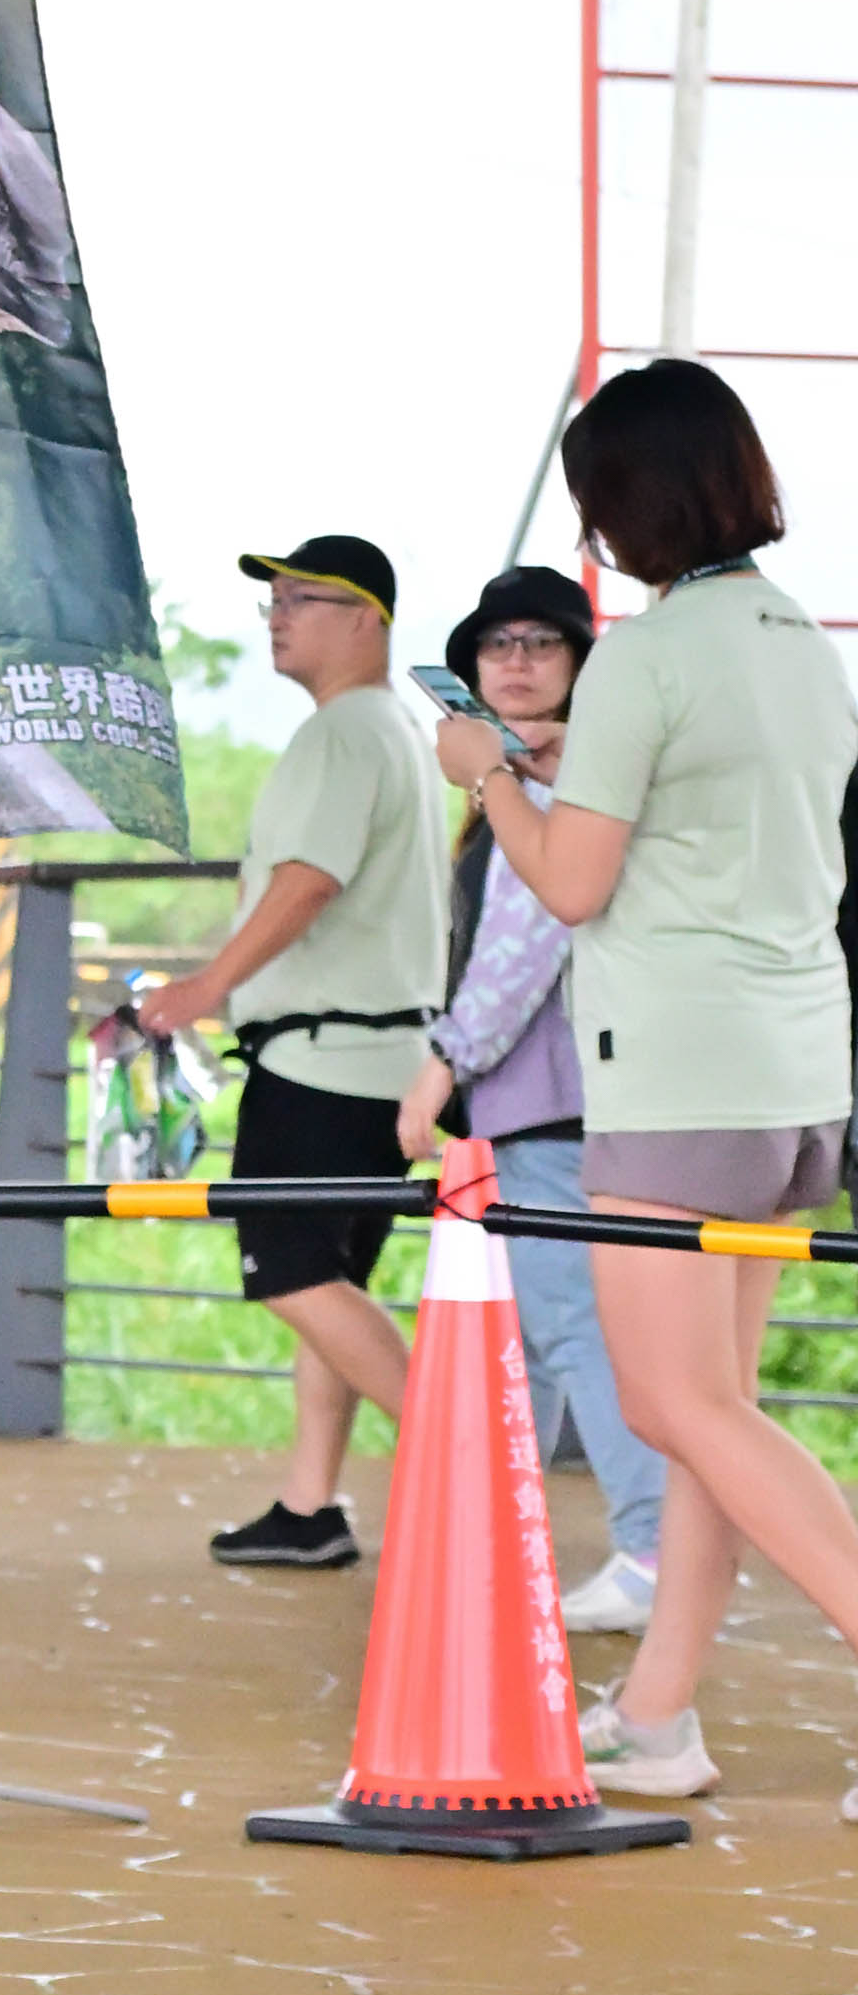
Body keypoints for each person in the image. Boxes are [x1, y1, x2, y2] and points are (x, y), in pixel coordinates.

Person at [425, 359, 858, 1812]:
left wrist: (489, 774)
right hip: (796, 1071)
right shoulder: (799, 641)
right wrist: (554, 762)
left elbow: (569, 883)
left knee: (682, 1408)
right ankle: (659, 1715)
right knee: (710, 1410)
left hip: (677, 1072)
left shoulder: (650, 658)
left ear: (631, 503)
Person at [138, 530, 441, 1569]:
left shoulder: (344, 735)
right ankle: (310, 1507)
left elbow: (308, 880)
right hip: (383, 1062)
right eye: (274, 598)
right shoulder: (396, 731)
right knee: (332, 1288)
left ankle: (468, 1463)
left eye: (304, 597)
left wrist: (205, 987)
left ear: (367, 621)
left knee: (293, 1274)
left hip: (321, 1059)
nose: (279, 614)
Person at [392, 564, 662, 1641]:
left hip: (553, 1097)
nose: (514, 661)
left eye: (541, 643)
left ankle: (649, 1548)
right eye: (495, 645)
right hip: (563, 1095)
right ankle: (513, 1534)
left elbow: (523, 942)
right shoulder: (548, 776)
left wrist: (443, 1062)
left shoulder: (548, 790)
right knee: (539, 1333)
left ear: (582, 664)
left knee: (575, 1327)